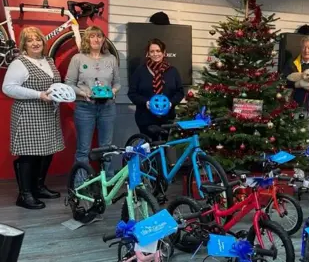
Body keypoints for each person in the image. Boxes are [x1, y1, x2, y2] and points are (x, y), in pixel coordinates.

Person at [2, 26, 64, 209]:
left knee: (46, 152)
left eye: (38, 39)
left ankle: (38, 187)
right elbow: (8, 87)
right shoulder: (19, 63)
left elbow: (56, 84)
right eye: (30, 40)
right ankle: (25, 194)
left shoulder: (49, 60)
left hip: (48, 113)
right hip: (28, 113)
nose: (35, 43)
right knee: (29, 155)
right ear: (24, 44)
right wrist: (38, 94)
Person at [65, 25, 120, 178]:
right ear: (87, 39)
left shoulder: (111, 59)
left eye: (99, 36)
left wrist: (113, 91)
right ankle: (80, 184)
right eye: (92, 36)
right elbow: (69, 83)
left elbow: (117, 82)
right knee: (83, 148)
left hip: (108, 107)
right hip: (84, 107)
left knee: (107, 147)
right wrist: (82, 93)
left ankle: (107, 182)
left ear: (103, 39)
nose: (96, 39)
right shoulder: (78, 59)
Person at [127, 38, 185, 141]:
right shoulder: (140, 71)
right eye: (152, 51)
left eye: (158, 51)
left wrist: (171, 103)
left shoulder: (172, 71)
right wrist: (146, 103)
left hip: (167, 117)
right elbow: (132, 93)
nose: (155, 54)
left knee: (163, 145)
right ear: (148, 54)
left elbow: (180, 92)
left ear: (164, 52)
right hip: (145, 117)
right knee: (149, 147)